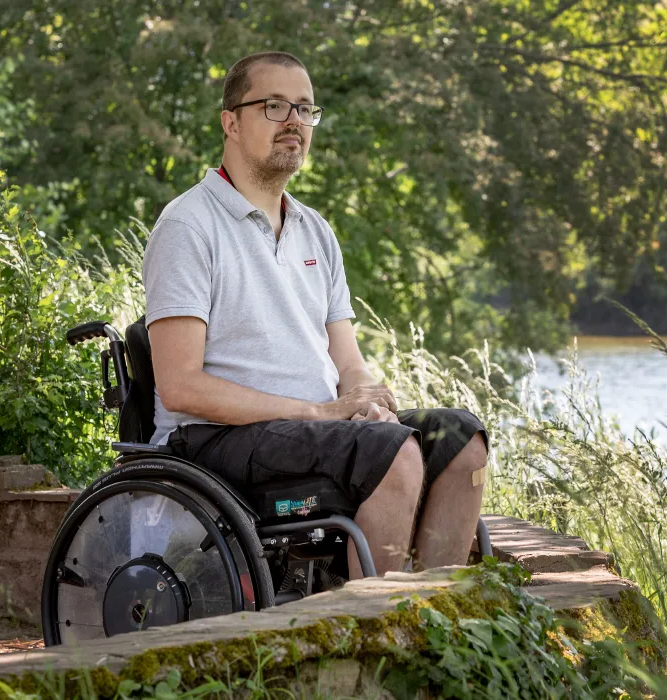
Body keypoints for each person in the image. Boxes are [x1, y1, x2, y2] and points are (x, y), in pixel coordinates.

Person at [142, 51, 487, 580]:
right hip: (215, 440)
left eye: (305, 110)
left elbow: (346, 360)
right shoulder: (188, 226)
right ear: (230, 122)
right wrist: (320, 413)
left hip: (311, 431)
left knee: (461, 440)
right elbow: (181, 387)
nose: (294, 123)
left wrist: (370, 402)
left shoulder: (314, 230)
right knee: (390, 453)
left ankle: (434, 625)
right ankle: (375, 638)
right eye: (275, 106)